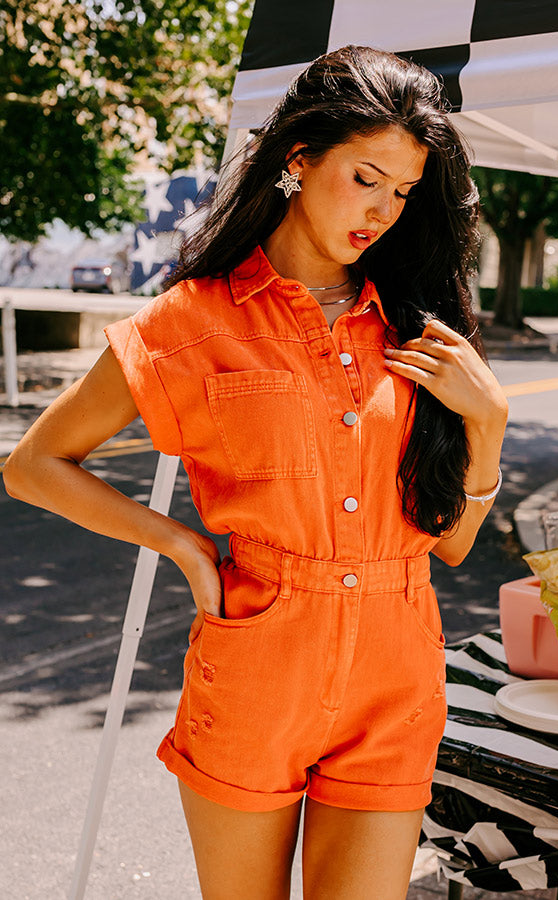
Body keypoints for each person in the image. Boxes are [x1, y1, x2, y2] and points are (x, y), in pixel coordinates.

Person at [4, 45, 508, 900]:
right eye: (366, 177)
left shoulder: (419, 327)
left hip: (396, 679)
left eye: (404, 192)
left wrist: (488, 424)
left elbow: (451, 548)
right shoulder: (189, 324)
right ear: (298, 157)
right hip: (256, 675)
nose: (383, 211)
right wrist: (182, 547)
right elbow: (33, 464)